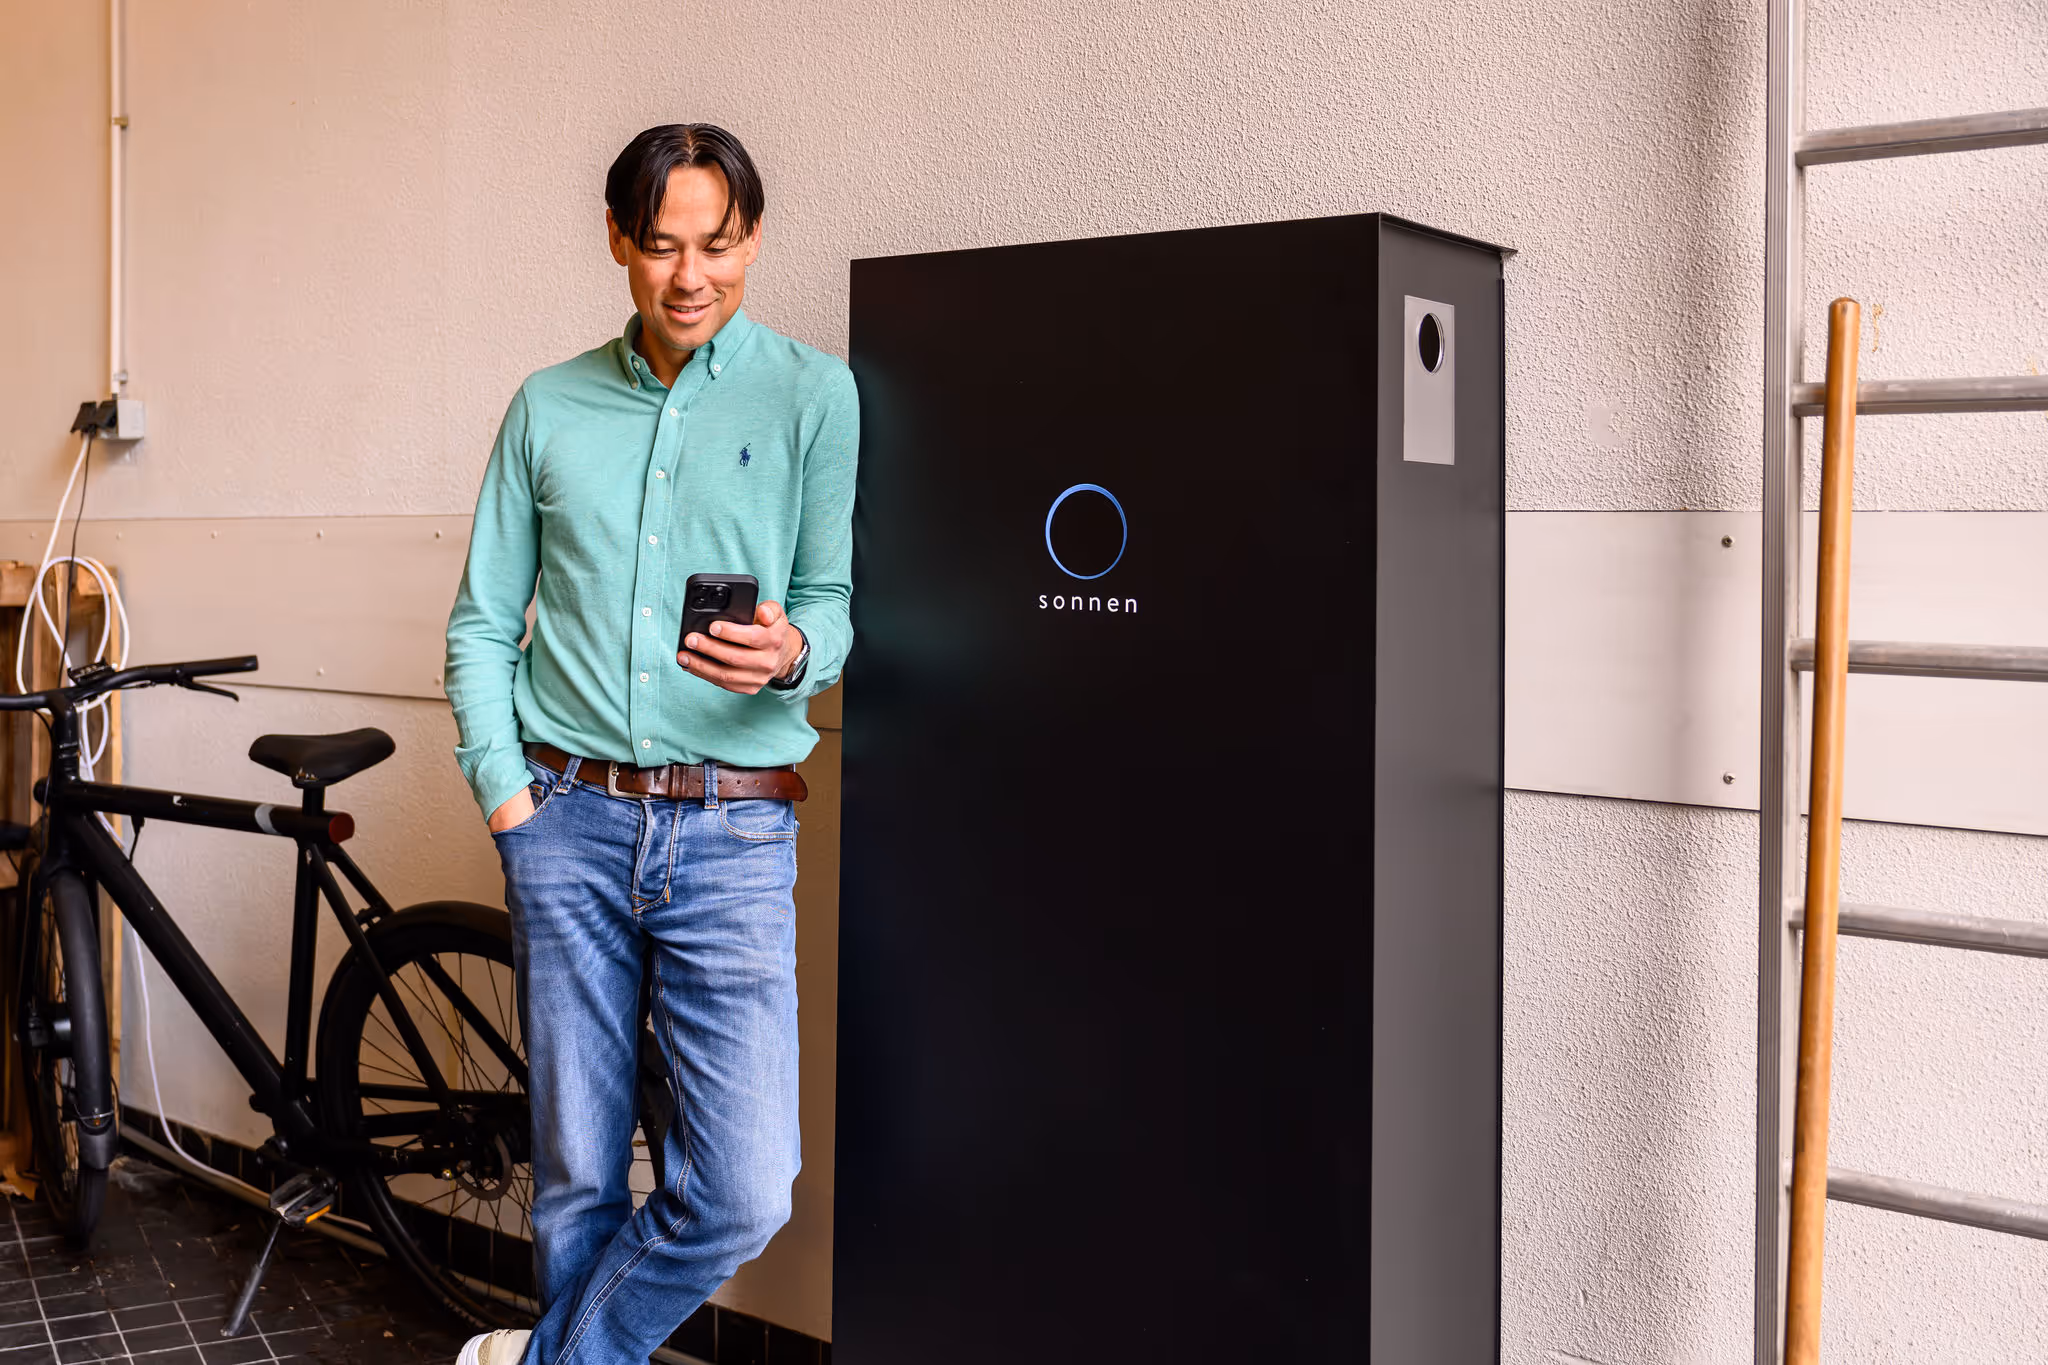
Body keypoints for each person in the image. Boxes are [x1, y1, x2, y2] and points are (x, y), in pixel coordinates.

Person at [442, 123, 857, 1365]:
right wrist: (507, 799)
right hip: (564, 817)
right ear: (619, 242)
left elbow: (833, 598)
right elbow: (477, 626)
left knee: (739, 1187)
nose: (692, 276)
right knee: (576, 1173)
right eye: (663, 246)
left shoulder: (812, 395)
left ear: (753, 240)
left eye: (718, 246)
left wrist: (793, 653)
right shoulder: (547, 406)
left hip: (734, 826)